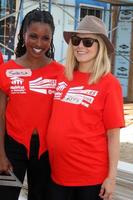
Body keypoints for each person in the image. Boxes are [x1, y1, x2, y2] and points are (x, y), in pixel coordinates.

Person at [46, 15, 125, 200]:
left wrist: (111, 177)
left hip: (89, 178)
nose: (80, 46)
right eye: (76, 40)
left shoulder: (109, 84)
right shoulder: (63, 77)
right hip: (57, 174)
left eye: (88, 42)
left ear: (100, 47)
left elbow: (113, 135)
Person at [0, 9, 63, 200]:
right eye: (33, 36)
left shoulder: (61, 73)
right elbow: (0, 115)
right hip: (12, 149)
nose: (38, 43)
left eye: (45, 38)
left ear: (51, 39)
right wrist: (1, 155)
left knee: (40, 196)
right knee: (5, 196)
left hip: (47, 152)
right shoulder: (6, 70)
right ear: (23, 34)